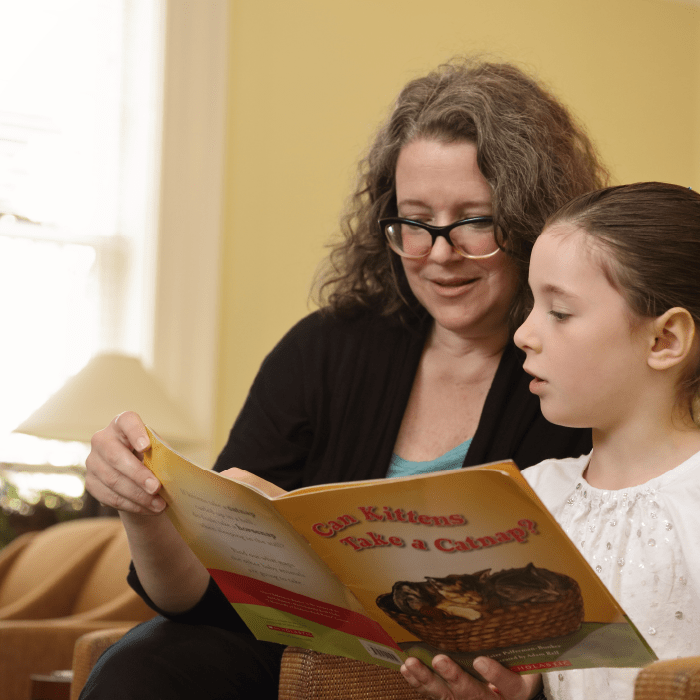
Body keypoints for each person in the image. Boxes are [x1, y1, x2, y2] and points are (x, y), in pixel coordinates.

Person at [80, 57, 607, 699]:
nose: (439, 254)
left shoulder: (585, 374)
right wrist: (146, 511)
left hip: (474, 675)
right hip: (291, 650)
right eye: (415, 221)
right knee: (146, 667)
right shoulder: (325, 349)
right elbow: (199, 599)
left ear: (531, 220)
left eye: (473, 220)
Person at [400, 182, 700, 700]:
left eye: (559, 312)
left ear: (664, 340)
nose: (523, 333)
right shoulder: (529, 497)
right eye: (532, 305)